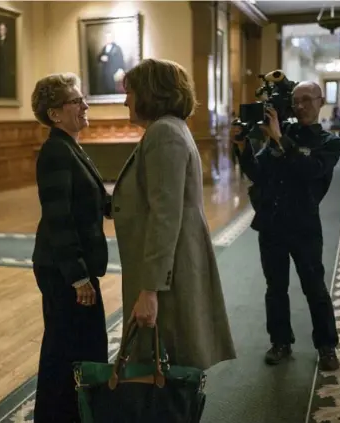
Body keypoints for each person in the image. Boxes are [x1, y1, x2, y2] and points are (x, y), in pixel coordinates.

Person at [111, 59, 236, 371]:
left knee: (168, 360)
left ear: (151, 93)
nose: (126, 100)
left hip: (169, 270)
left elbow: (164, 216)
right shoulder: (170, 128)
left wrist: (149, 290)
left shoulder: (163, 133)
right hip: (176, 261)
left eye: (131, 92)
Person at [233, 81, 340, 371]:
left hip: (304, 226)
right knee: (275, 288)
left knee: (314, 288)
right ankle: (280, 342)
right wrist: (242, 146)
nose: (302, 106)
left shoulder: (330, 143)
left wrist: (281, 140)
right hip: (272, 224)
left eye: (308, 100)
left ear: (321, 102)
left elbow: (310, 171)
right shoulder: (281, 135)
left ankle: (327, 345)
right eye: (297, 101)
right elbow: (257, 171)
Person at [30, 72, 111, 423]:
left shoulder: (70, 147)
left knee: (82, 346)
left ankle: (77, 414)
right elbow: (58, 219)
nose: (85, 105)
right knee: (64, 350)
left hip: (73, 266)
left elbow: (98, 202)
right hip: (63, 270)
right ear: (55, 114)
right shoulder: (55, 152)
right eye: (76, 101)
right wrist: (79, 278)